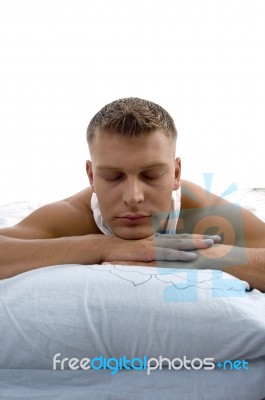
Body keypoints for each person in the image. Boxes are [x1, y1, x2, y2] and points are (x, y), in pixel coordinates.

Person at [0, 97, 264, 291]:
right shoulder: (72, 217)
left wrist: (198, 256)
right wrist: (103, 246)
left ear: (175, 174)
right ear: (91, 177)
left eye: (151, 175)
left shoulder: (201, 211)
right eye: (113, 177)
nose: (133, 196)